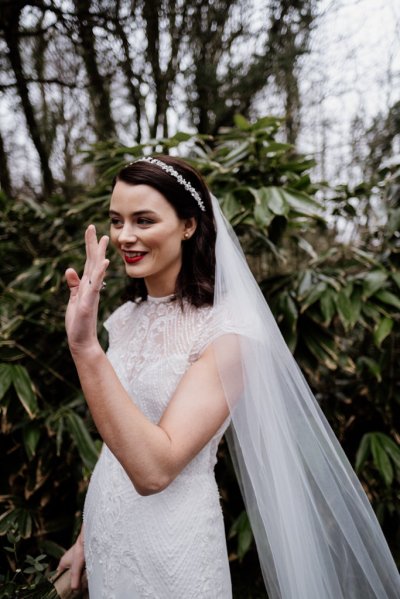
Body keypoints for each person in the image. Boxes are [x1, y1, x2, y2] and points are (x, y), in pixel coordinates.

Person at [58, 156, 400, 599]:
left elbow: (154, 470)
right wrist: (88, 538)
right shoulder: (123, 319)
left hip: (172, 549)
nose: (125, 236)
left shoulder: (230, 331)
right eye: (116, 220)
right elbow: (115, 443)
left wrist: (85, 349)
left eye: (143, 220)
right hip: (109, 534)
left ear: (188, 226)